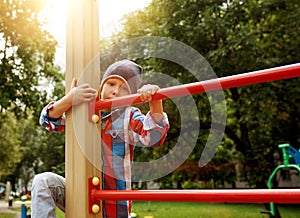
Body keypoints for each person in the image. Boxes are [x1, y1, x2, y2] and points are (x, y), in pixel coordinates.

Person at [31, 59, 170, 218]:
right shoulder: (83, 110)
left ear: (131, 96)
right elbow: (47, 121)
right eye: (111, 84)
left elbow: (154, 137)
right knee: (43, 182)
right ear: (101, 86)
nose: (116, 91)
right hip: (80, 194)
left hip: (114, 204)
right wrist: (69, 99)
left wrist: (155, 101)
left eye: (124, 88)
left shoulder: (129, 115)